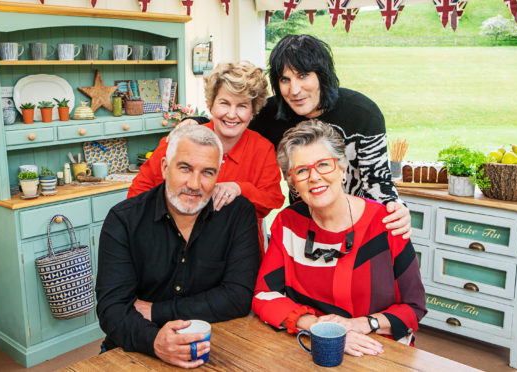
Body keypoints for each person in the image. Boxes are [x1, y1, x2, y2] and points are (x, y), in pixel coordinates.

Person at [186, 34, 412, 239]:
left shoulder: (363, 113)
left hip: (359, 223)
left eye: (303, 75)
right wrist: (192, 122)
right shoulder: (271, 114)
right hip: (306, 225)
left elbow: (377, 180)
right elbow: (231, 118)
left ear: (322, 76)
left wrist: (394, 207)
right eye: (285, 79)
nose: (294, 90)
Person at [252, 120, 426, 357]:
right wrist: (320, 328)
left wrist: (362, 324)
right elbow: (264, 296)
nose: (314, 177)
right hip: (314, 346)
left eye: (324, 164)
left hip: (379, 351)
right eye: (302, 170)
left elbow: (414, 307)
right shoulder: (288, 223)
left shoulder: (386, 223)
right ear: (293, 182)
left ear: (343, 169)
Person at [96, 124, 260, 369]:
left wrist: (156, 311)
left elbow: (238, 297)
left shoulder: (238, 215)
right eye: (185, 168)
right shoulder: (124, 219)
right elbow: (112, 309)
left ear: (218, 174)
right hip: (135, 346)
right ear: (164, 167)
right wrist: (154, 341)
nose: (194, 184)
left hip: (213, 346)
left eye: (207, 172)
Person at [128, 61, 284, 253]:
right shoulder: (181, 139)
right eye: (224, 103)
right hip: (175, 250)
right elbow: (138, 193)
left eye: (242, 106)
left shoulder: (262, 148)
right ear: (210, 104)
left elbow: (272, 200)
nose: (232, 114)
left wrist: (239, 189)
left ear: (253, 110)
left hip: (239, 254)